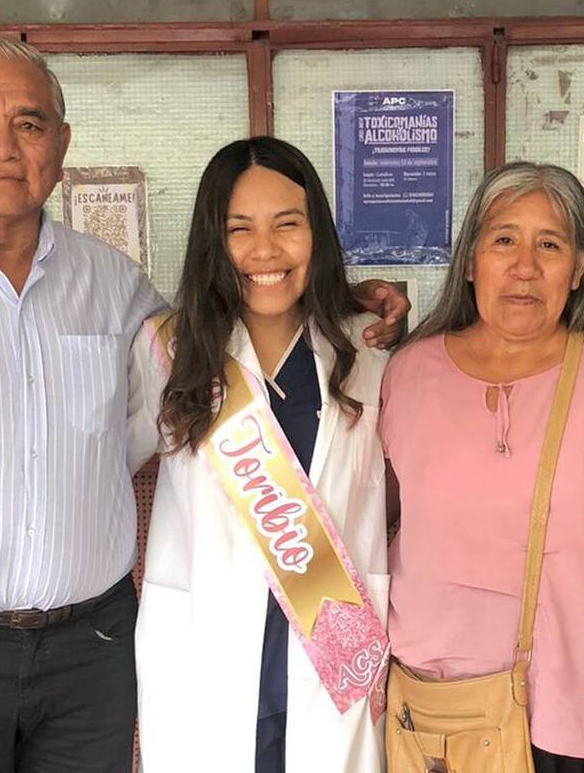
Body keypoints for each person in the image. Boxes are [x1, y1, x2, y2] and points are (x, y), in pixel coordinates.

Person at [0, 39, 407, 772]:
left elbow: (231, 325)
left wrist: (350, 298)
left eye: (30, 123)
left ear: (61, 143)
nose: (4, 144)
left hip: (88, 654)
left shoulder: (113, 284)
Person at [380, 162, 584, 773]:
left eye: (548, 245)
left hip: (574, 717)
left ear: (579, 267)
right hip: (436, 715)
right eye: (504, 241)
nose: (524, 267)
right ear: (470, 260)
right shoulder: (409, 373)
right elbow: (373, 521)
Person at [127, 137, 391, 772]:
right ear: (212, 243)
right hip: (205, 653)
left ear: (317, 235)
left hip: (331, 649)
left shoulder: (369, 351)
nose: (264, 251)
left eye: (287, 225)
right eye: (238, 229)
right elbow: (98, 463)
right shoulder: (167, 348)